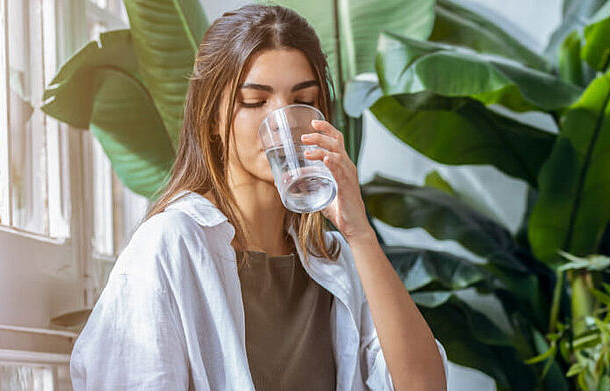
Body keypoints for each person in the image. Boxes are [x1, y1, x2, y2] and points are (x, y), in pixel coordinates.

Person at [68, 4, 448, 390]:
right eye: (255, 101)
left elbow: (425, 386)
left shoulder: (334, 258)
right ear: (213, 118)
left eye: (305, 100)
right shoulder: (170, 245)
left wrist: (361, 233)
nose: (282, 121)